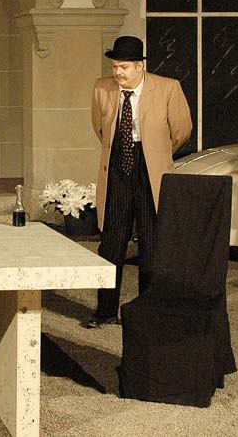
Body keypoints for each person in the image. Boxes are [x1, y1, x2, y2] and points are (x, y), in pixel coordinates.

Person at [85, 36, 193, 329]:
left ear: (139, 66)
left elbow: (182, 130)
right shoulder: (102, 88)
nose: (117, 72)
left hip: (150, 171)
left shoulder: (168, 88)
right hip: (117, 169)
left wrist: (157, 154)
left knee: (151, 245)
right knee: (111, 244)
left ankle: (147, 313)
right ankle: (105, 311)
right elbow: (99, 127)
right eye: (115, 66)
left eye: (123, 67)